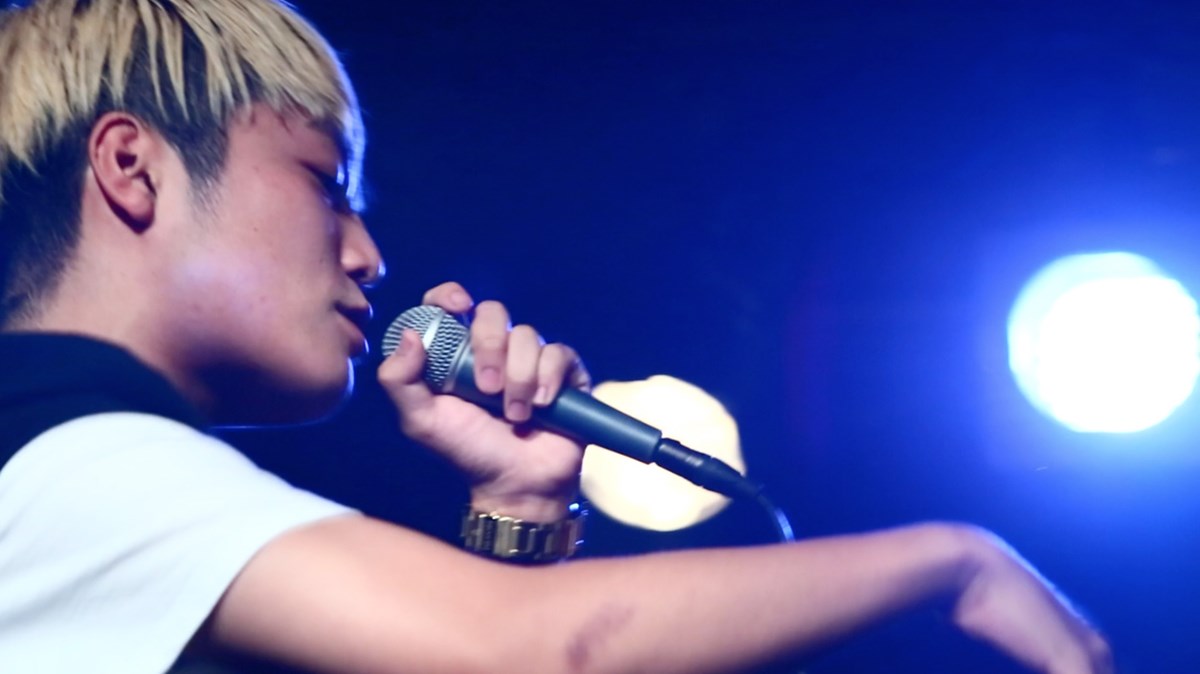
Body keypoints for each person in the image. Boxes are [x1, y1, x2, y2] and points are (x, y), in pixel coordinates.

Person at [0, 1, 1113, 673]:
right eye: (324, 186)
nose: (368, 254)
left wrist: (520, 508)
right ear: (132, 167)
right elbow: (543, 649)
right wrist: (952, 562)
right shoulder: (68, 466)